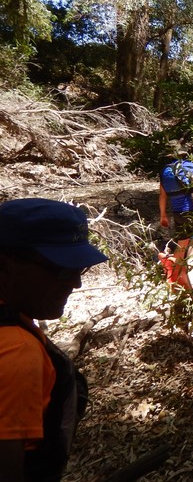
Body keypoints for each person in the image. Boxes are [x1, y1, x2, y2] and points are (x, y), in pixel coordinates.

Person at [0, 198, 107, 481]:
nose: (76, 283)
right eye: (62, 269)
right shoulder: (17, 352)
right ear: (4, 265)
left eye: (79, 269)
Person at [158, 140, 193, 307]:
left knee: (184, 243)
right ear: (183, 154)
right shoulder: (191, 167)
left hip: (177, 212)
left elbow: (162, 196)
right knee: (191, 247)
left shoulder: (164, 171)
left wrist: (163, 215)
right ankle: (192, 291)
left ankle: (177, 277)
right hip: (191, 210)